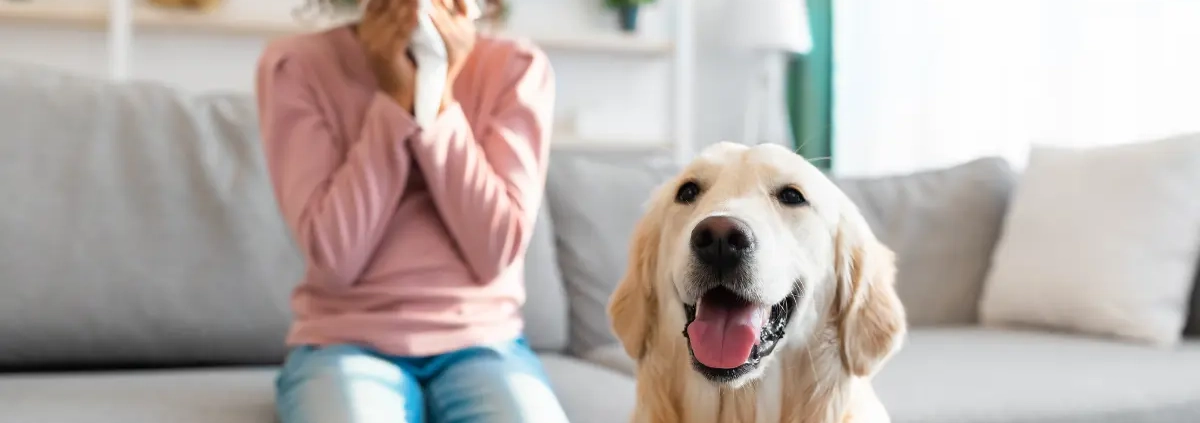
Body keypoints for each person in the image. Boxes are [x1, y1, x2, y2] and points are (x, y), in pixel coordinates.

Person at [254, 0, 566, 421]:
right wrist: (396, 100)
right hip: (344, 341)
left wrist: (436, 96)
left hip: (483, 342)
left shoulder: (518, 68)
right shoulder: (296, 66)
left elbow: (495, 252)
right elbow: (335, 258)